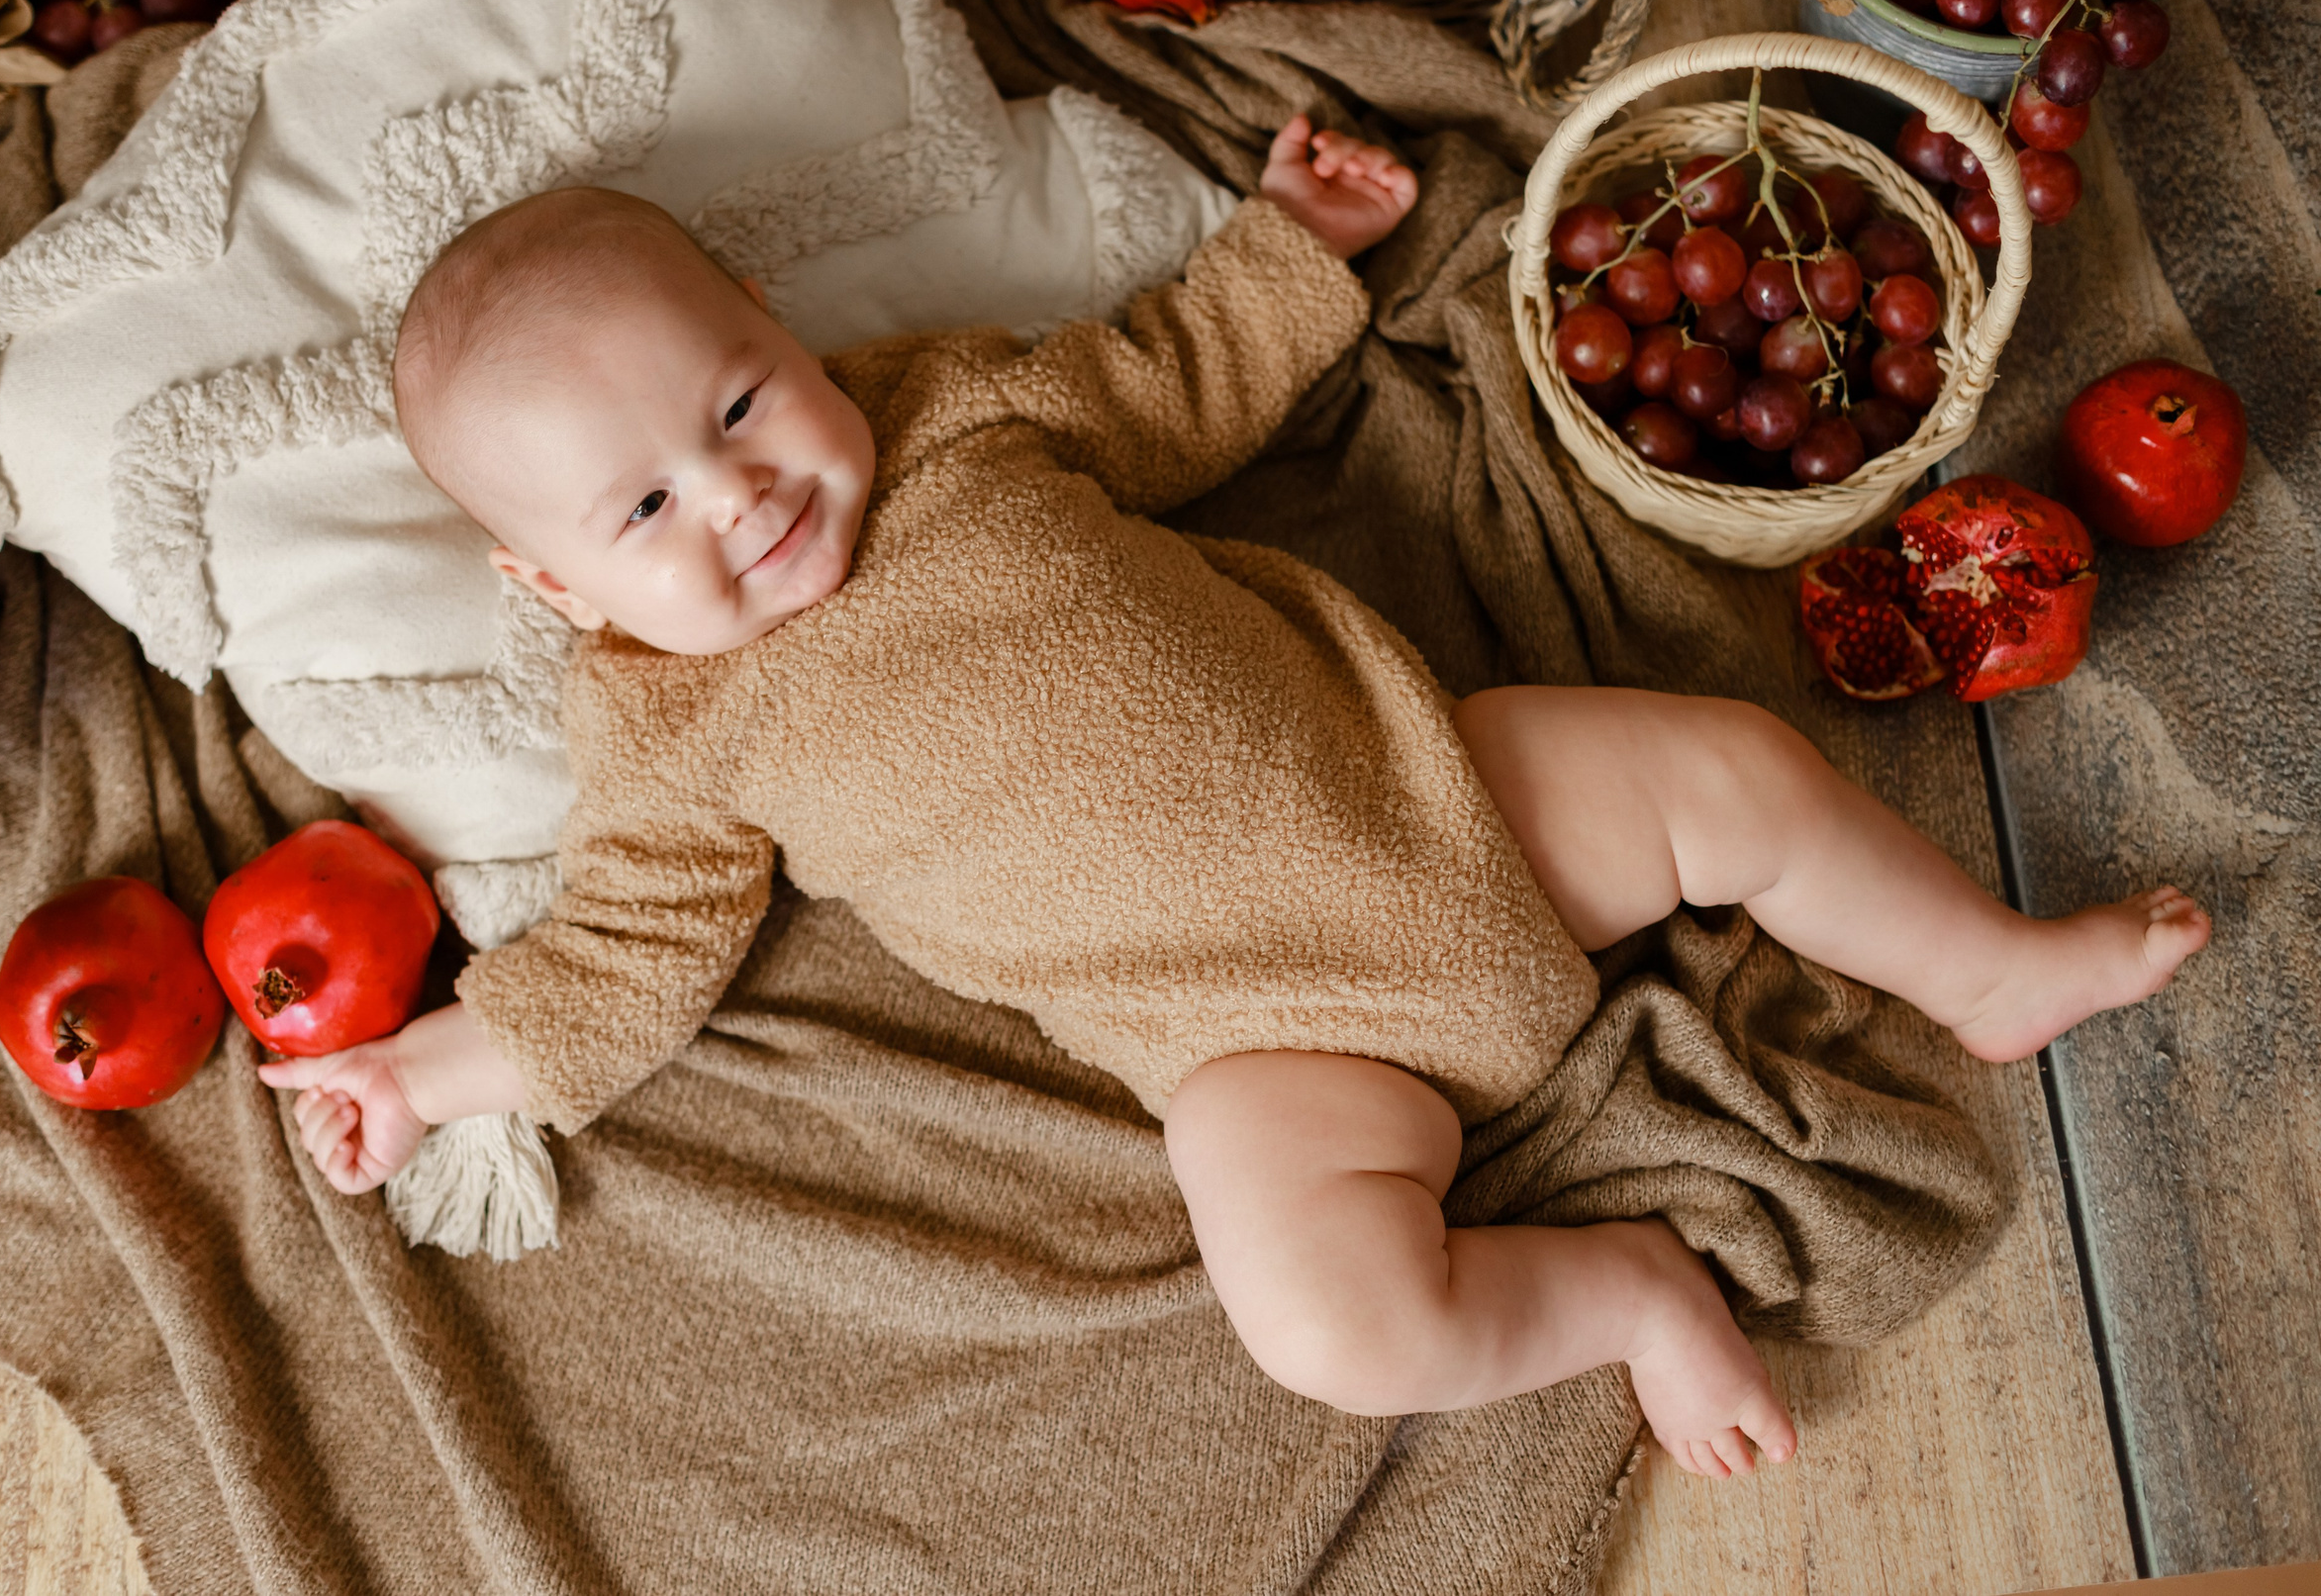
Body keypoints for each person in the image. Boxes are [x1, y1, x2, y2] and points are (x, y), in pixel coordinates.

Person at [258, 119, 2210, 1479]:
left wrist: (1289, 250)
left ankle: (1984, 965)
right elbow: (623, 952)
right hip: (1266, 1044)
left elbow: (1164, 385)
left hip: (1436, 789)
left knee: (1726, 768)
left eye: (741, 401)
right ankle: (1619, 1292)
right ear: (555, 588)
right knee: (1332, 1330)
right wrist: (425, 1075)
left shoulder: (948, 409)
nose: (740, 492)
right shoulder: (667, 732)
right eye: (644, 509)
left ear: (781, 325)